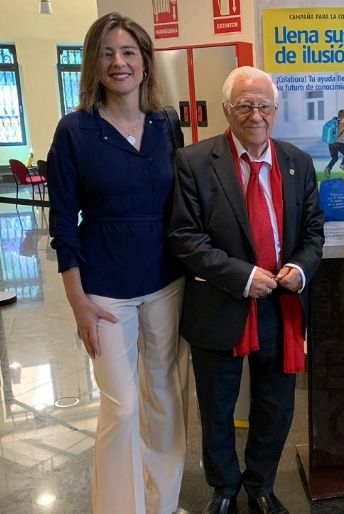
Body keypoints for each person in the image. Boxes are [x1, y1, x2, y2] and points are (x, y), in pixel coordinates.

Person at [47, 12, 188, 514]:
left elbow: (184, 204)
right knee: (124, 406)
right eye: (106, 53)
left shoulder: (166, 124)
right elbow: (63, 222)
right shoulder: (75, 132)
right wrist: (77, 302)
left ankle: (164, 502)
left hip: (166, 282)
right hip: (103, 290)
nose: (118, 62)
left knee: (166, 400)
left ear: (146, 63)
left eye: (128, 52)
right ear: (93, 64)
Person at [168, 66, 324, 514]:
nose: (255, 115)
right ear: (226, 111)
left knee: (276, 406)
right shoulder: (195, 163)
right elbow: (185, 237)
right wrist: (241, 275)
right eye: (244, 105)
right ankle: (224, 488)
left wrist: (298, 266)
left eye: (263, 106)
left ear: (276, 111)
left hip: (282, 305)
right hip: (221, 304)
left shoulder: (297, 162)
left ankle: (261, 483)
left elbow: (313, 233)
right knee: (217, 409)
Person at [323, 98, 344, 176]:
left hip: (330, 143)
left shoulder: (334, 121)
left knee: (335, 158)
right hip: (338, 142)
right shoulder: (343, 121)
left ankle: (328, 168)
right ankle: (343, 164)